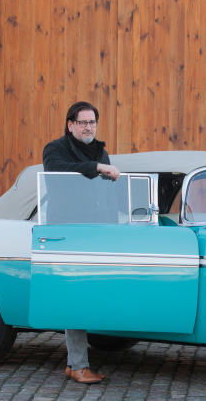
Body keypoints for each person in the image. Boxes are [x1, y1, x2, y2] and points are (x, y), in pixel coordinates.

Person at [41, 101, 120, 384]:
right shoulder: (55, 149)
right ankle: (78, 365)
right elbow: (58, 170)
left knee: (90, 295)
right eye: (83, 122)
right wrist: (97, 166)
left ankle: (74, 362)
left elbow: (108, 196)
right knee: (75, 295)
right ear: (70, 124)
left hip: (97, 234)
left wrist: (114, 228)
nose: (89, 127)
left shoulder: (101, 151)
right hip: (68, 235)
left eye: (92, 123)